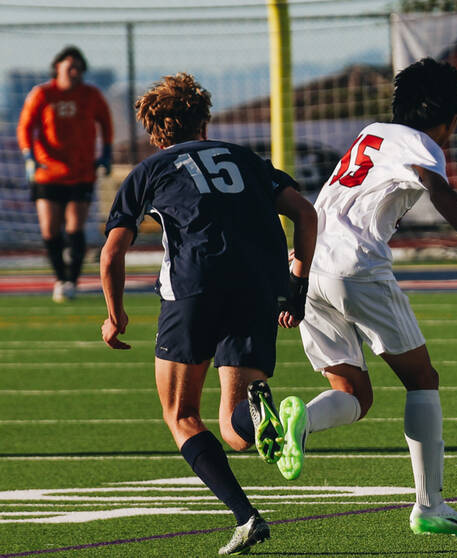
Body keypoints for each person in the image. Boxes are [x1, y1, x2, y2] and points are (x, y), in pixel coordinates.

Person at [99, 73, 317, 554]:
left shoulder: (150, 169)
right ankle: (259, 414)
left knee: (180, 415)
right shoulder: (248, 160)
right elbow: (306, 213)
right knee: (234, 429)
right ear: (205, 118)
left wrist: (115, 316)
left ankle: (246, 516)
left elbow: (113, 252)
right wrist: (296, 287)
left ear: (154, 129)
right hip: (259, 285)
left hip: (195, 285)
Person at [275, 58, 457, 536]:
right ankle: (429, 506)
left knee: (354, 394)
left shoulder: (372, 132)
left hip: (308, 265)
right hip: (355, 266)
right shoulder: (422, 144)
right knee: (422, 379)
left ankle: (300, 424)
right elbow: (434, 185)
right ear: (450, 119)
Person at [17, 45, 114, 303]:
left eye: (78, 67)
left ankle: (71, 279)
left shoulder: (91, 95)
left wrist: (106, 152)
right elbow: (25, 127)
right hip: (48, 173)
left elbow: (106, 123)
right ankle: (59, 277)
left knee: (75, 227)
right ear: (57, 68)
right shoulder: (42, 94)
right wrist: (29, 158)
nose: (74, 71)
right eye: (69, 66)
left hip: (81, 172)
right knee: (50, 230)